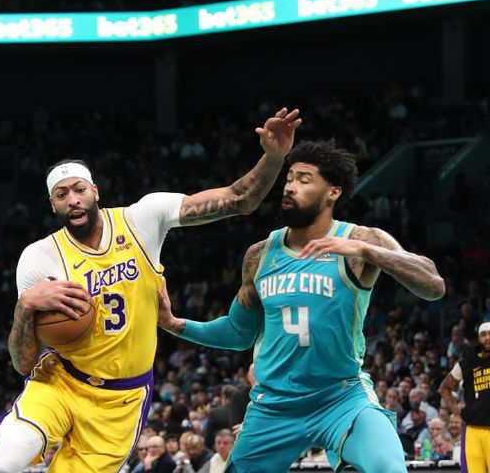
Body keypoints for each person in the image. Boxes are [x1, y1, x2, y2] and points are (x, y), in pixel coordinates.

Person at [0, 108, 302, 472]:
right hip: (60, 382)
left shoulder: (142, 218)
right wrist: (24, 308)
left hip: (122, 399)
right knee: (3, 462)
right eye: (62, 194)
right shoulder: (38, 257)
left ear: (95, 191)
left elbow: (238, 200)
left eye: (79, 189)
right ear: (52, 204)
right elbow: (23, 362)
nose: (73, 199)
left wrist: (274, 157)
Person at [159, 140, 444, 472]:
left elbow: (433, 285)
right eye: (289, 178)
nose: (290, 187)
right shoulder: (259, 255)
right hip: (274, 404)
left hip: (340, 396)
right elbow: (238, 333)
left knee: (389, 466)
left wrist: (368, 253)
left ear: (333, 192)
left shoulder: (363, 240)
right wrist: (176, 324)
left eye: (304, 179)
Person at [440, 321, 490, 472]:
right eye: (483, 335)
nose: (487, 338)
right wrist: (456, 412)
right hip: (472, 430)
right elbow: (444, 388)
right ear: (478, 338)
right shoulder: (467, 363)